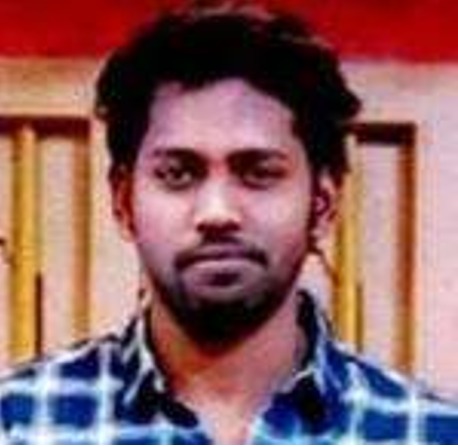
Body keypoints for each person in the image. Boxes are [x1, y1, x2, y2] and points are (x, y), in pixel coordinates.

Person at [0, 1, 457, 444]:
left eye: (258, 173)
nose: (217, 212)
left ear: (322, 204)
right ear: (123, 202)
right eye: (178, 174)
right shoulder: (18, 424)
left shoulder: (430, 433)